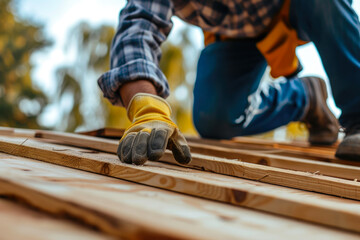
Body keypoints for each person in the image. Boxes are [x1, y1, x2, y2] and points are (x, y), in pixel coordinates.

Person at [98, 0, 360, 164]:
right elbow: (137, 28)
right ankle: (305, 97)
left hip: (295, 5)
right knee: (214, 119)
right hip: (234, 33)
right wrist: (147, 109)